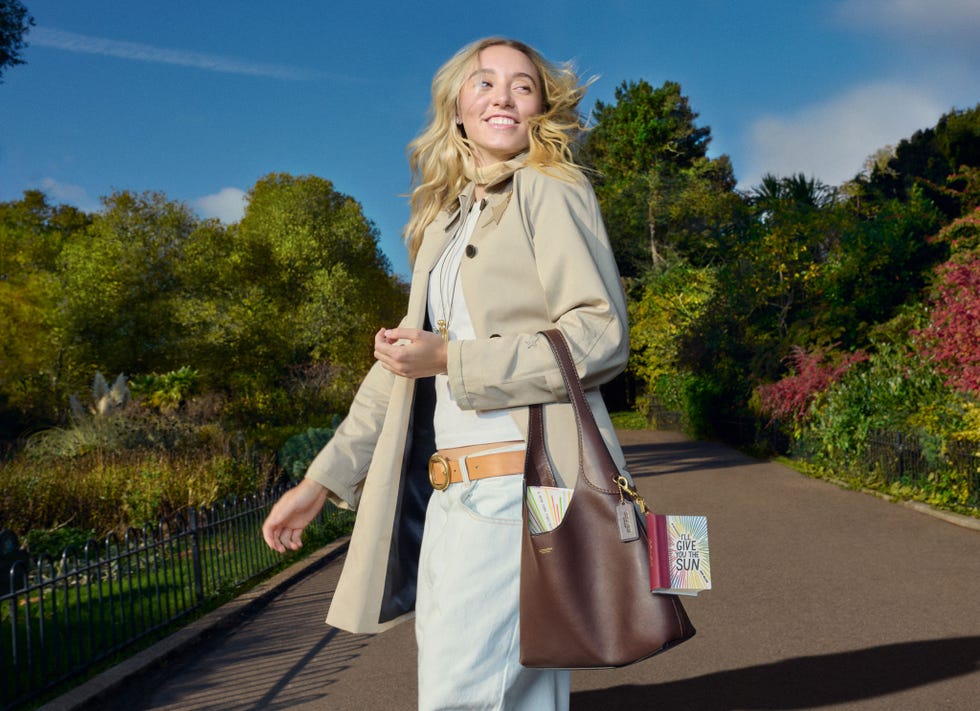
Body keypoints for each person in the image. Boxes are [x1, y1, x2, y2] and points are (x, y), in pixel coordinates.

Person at [262, 37, 630, 710]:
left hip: (523, 488)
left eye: (523, 85)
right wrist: (322, 478)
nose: (503, 95)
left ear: (541, 106)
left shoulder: (550, 189)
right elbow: (399, 373)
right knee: (519, 696)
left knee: (461, 695)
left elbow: (600, 335)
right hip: (452, 501)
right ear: (456, 108)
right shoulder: (442, 222)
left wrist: (453, 359)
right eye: (484, 82)